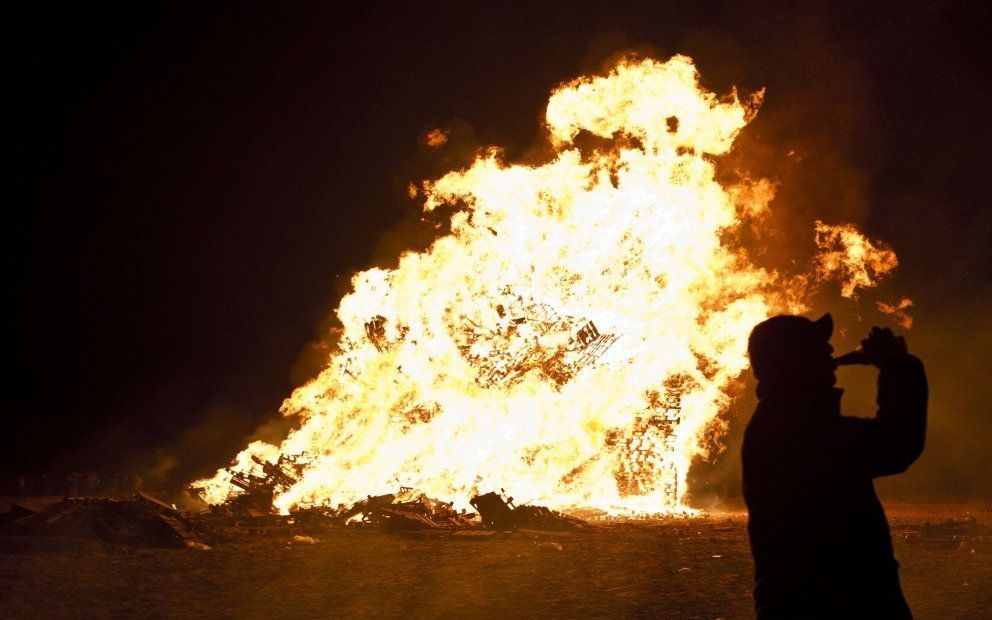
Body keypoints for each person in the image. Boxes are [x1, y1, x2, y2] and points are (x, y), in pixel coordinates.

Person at [742, 314, 927, 619]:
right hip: (829, 604)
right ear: (791, 363)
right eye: (815, 347)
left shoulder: (784, 419)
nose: (830, 351)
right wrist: (897, 365)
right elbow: (896, 443)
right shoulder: (795, 427)